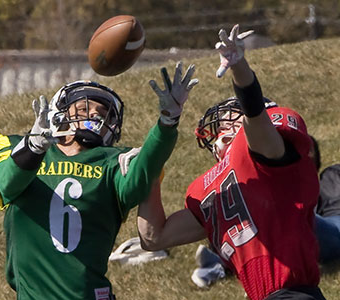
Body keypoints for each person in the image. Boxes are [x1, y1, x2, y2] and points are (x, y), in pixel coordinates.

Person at [136, 24, 326, 300]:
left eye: (230, 118)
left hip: (295, 291)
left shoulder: (265, 149)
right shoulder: (211, 187)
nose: (222, 128)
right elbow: (155, 237)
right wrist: (151, 164)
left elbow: (257, 120)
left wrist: (239, 68)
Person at [0, 63, 198, 300]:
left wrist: (167, 123)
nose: (94, 115)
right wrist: (33, 147)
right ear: (59, 113)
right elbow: (8, 183)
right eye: (84, 109)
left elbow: (140, 177)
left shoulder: (116, 161)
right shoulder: (10, 146)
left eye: (102, 114)